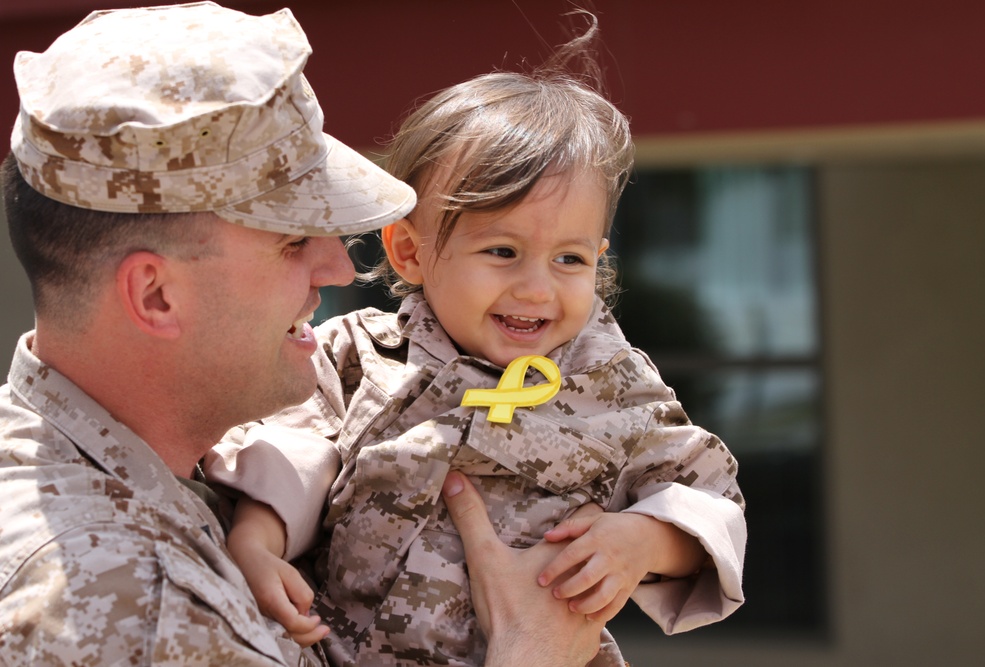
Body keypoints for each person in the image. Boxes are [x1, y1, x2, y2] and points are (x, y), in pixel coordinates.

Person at [0, 3, 607, 666]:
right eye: (294, 241)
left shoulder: (170, 473)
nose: (339, 266)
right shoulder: (123, 603)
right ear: (157, 294)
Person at [210, 16, 748, 667]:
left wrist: (642, 539)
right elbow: (291, 449)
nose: (536, 289)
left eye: (570, 260)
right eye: (502, 250)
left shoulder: (610, 381)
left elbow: (708, 496)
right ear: (410, 248)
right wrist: (258, 543)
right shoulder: (362, 354)